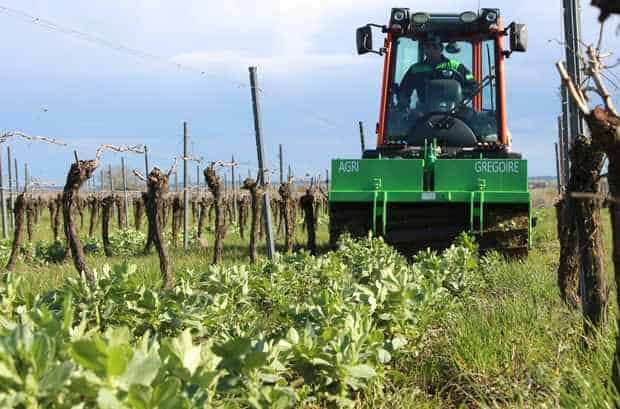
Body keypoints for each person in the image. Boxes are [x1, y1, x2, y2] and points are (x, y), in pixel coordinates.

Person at [397, 35, 474, 110]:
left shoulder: (456, 66)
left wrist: (461, 96)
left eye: (435, 47)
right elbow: (404, 91)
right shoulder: (415, 69)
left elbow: (472, 85)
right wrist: (404, 106)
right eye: (427, 47)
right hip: (423, 114)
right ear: (424, 49)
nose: (431, 51)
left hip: (454, 112)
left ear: (441, 49)